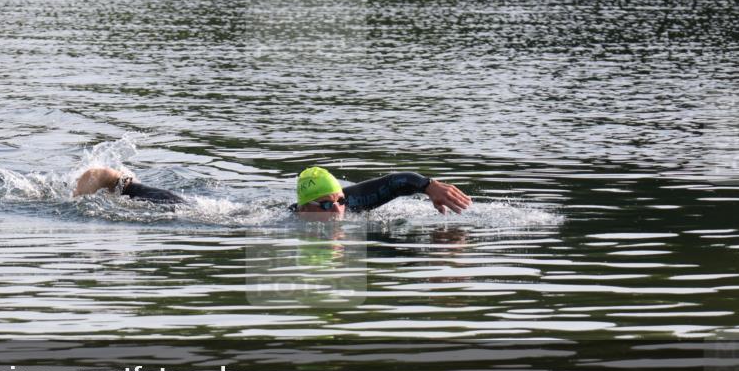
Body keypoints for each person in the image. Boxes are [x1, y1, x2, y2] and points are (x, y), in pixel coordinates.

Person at [73, 165, 472, 220]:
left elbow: (393, 183)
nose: (336, 208)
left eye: (339, 200)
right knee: (173, 205)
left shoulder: (347, 208)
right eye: (325, 203)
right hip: (228, 214)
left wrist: (428, 186)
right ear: (303, 207)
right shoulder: (287, 222)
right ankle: (115, 179)